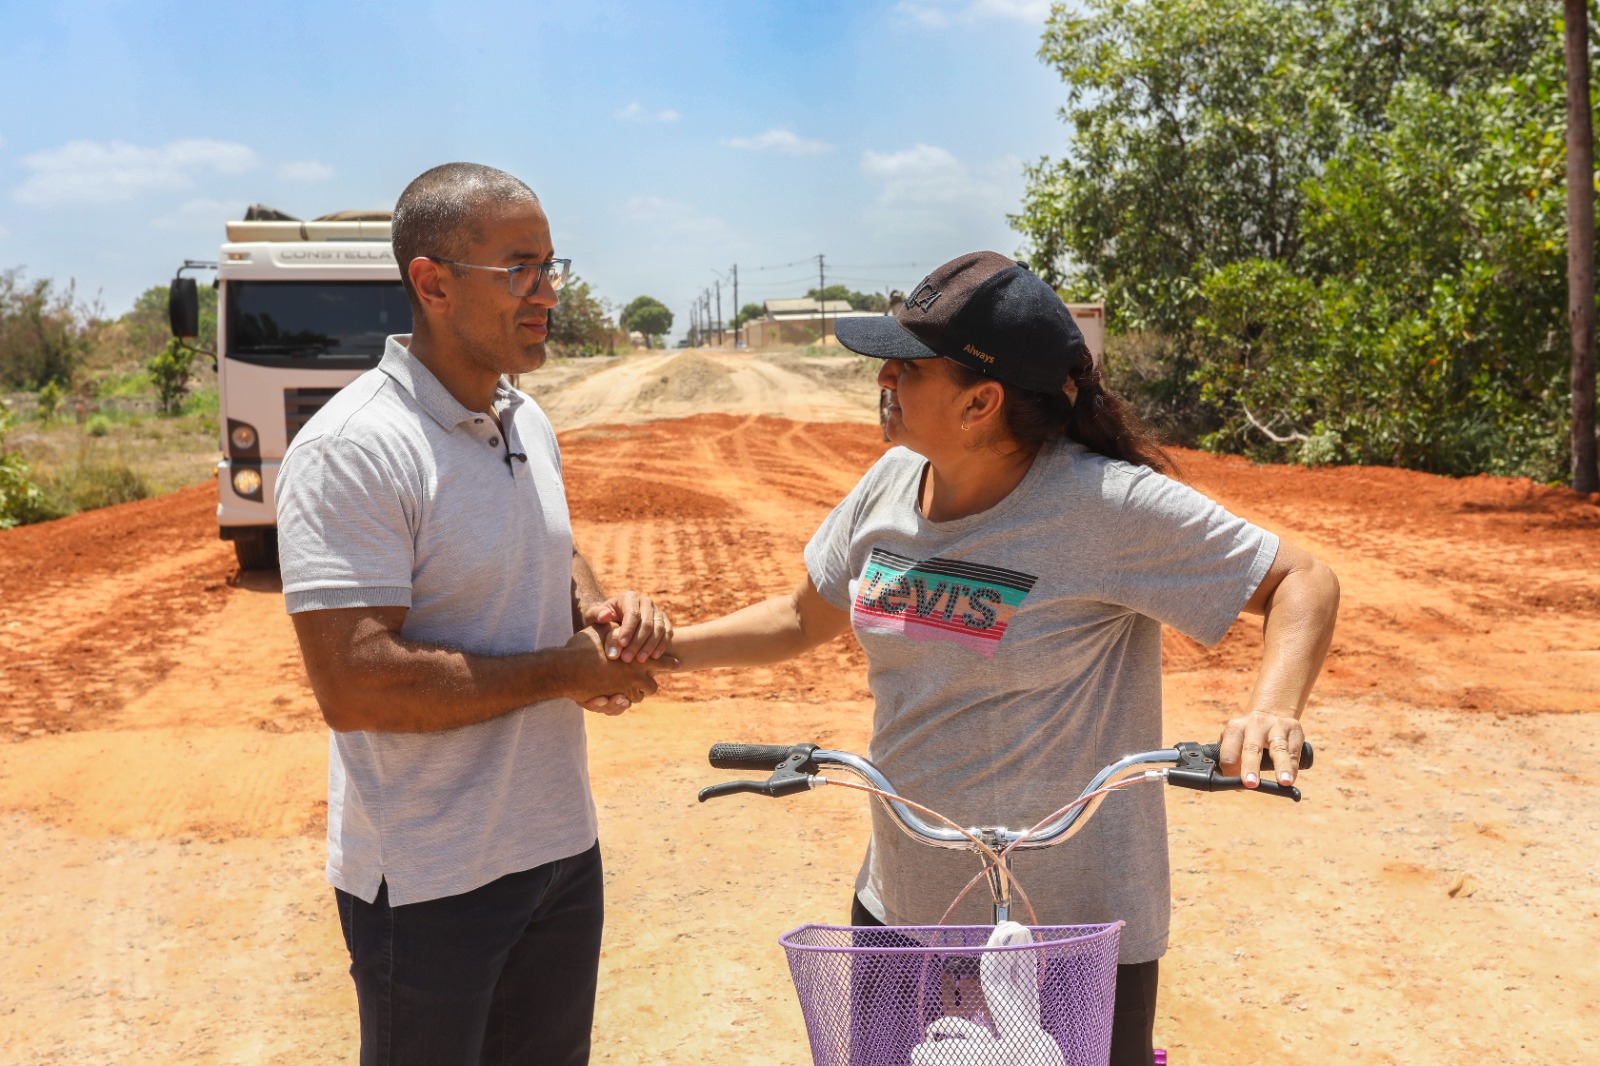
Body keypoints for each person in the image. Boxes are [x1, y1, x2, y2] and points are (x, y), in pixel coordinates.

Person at [670, 251, 1339, 1066]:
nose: (884, 377)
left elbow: (1302, 579)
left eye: (909, 365)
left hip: (1071, 934)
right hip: (902, 906)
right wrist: (657, 653)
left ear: (981, 401)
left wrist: (1273, 709)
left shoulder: (1103, 505)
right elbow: (798, 617)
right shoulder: (889, 484)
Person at [275, 162, 675, 1066]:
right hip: (430, 878)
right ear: (433, 284)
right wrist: (562, 672)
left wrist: (598, 610)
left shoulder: (522, 417)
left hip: (558, 848)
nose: (549, 292)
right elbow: (355, 684)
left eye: (550, 265)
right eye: (519, 269)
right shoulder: (354, 449)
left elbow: (550, 545)